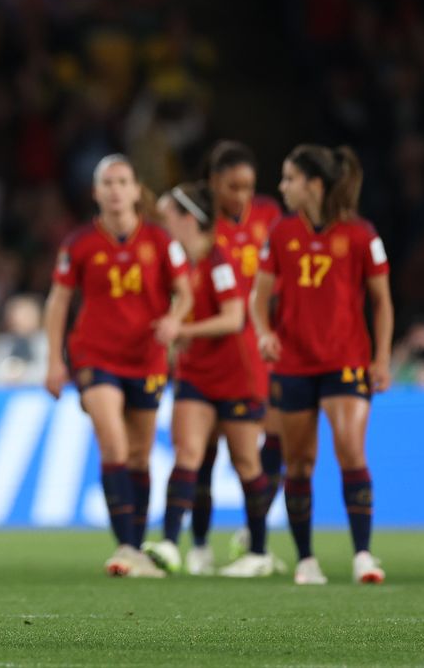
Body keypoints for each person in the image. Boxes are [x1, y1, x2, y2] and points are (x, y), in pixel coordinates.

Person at [44, 154, 193, 578]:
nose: (115, 189)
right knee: (113, 443)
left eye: (122, 181)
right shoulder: (79, 244)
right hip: (95, 356)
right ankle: (127, 545)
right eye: (107, 182)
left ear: (134, 190)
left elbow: (184, 292)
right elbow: (58, 304)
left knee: (140, 456)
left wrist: (174, 319)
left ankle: (136, 544)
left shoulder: (162, 242)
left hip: (146, 358)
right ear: (96, 191)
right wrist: (56, 359)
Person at [251, 144, 392, 585]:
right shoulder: (280, 232)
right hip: (293, 363)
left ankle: (363, 555)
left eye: (289, 178)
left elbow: (382, 302)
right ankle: (306, 559)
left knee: (350, 449)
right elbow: (259, 299)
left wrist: (382, 357)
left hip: (345, 360)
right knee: (298, 464)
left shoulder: (361, 234)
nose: (282, 186)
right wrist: (264, 332)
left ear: (313, 183)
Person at [143, 182, 275, 577]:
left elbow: (235, 318)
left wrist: (184, 331)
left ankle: (259, 552)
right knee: (188, 454)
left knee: (246, 462)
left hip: (236, 373)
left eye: (169, 218)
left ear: (188, 220)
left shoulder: (218, 261)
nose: (165, 227)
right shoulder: (183, 263)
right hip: (196, 373)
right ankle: (170, 544)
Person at [187, 141, 284, 574]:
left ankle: (255, 533)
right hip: (213, 348)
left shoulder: (269, 216)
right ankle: (201, 542)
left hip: (261, 345)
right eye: (233, 187)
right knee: (204, 451)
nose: (242, 196)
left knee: (272, 441)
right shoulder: (202, 224)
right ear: (214, 183)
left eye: (248, 187)